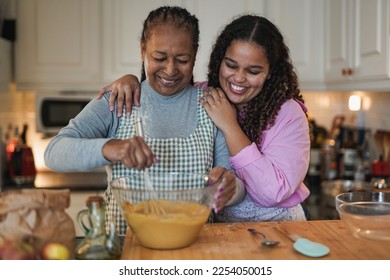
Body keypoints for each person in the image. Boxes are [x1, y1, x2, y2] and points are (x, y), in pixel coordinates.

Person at [44, 6, 243, 236]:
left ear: (195, 54)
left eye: (182, 59)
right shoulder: (118, 100)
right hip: (127, 248)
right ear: (142, 49)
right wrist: (112, 147)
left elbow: (231, 184)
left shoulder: (212, 106)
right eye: (159, 58)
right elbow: (54, 152)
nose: (170, 70)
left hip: (195, 246)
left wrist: (230, 187)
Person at [98, 14, 311, 222]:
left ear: (270, 72)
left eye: (253, 71)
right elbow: (162, 87)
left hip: (279, 228)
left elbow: (272, 193)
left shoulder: (289, 114)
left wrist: (230, 125)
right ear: (219, 60)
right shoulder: (203, 95)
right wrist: (131, 80)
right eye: (231, 65)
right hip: (220, 233)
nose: (238, 78)